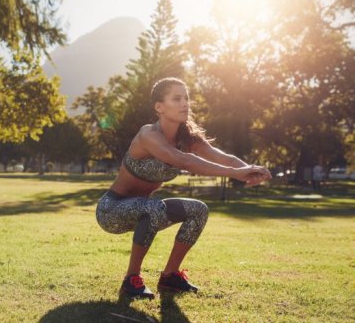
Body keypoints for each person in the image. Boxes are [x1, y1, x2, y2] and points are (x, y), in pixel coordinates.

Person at [95, 77, 271, 299]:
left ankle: (170, 276)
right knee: (152, 207)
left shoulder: (187, 138)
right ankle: (131, 279)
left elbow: (223, 158)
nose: (185, 104)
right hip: (112, 210)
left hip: (147, 209)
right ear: (159, 107)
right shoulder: (148, 135)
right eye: (176, 99)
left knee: (199, 210)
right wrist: (236, 174)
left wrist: (249, 169)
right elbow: (183, 160)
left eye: (186, 98)